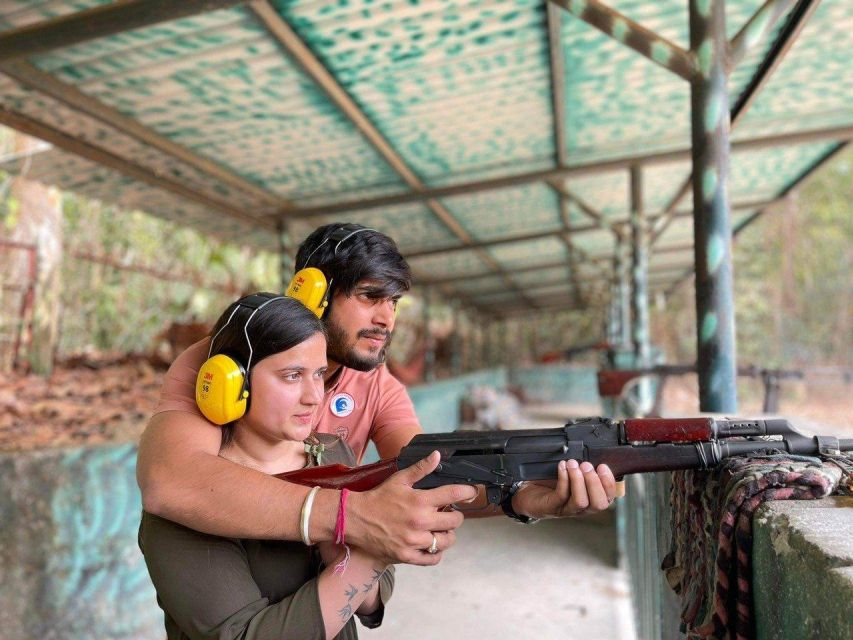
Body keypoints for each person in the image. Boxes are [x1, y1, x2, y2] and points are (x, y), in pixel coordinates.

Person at [136, 224, 616, 566]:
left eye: (393, 302)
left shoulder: (380, 386)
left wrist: (526, 499)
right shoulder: (223, 359)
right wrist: (354, 518)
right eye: (369, 297)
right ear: (312, 293)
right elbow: (169, 479)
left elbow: (430, 474)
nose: (387, 319)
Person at [140, 295, 395, 639]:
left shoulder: (333, 453)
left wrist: (356, 549)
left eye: (319, 374)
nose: (315, 396)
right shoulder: (188, 504)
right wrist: (371, 549)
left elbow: (373, 599)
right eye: (292, 376)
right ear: (234, 381)